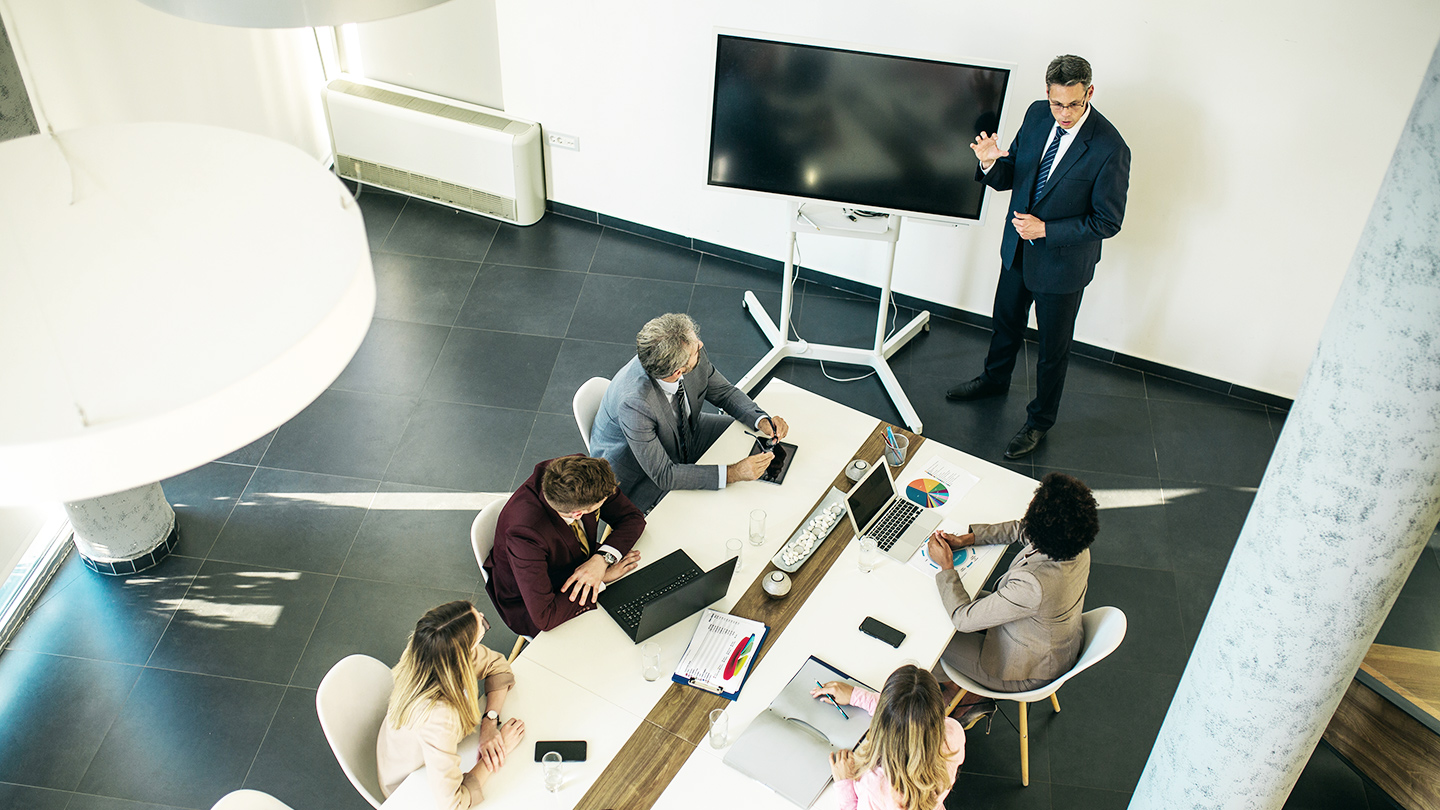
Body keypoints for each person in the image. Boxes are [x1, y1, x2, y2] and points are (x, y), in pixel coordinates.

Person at [946, 54, 1131, 460]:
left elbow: (1107, 221)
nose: (1064, 113)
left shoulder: (1110, 148)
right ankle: (994, 380)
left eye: (1074, 104)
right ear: (1046, 94)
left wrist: (1046, 230)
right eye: (1057, 103)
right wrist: (991, 161)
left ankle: (1039, 421)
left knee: (1051, 350)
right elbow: (1014, 174)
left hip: (1062, 267)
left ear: (1090, 93)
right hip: (1017, 252)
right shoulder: (1035, 115)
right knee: (1005, 323)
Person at [927, 472, 1099, 725]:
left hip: (1024, 671)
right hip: (1040, 639)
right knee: (946, 604)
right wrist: (969, 538)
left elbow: (963, 619)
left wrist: (947, 566)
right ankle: (960, 686)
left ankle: (963, 695)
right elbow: (1023, 529)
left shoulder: (1034, 585)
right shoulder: (1075, 542)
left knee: (932, 640)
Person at [589, 313, 790, 512]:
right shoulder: (635, 403)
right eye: (696, 349)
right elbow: (664, 474)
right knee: (712, 508)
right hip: (642, 475)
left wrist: (760, 419)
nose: (701, 345)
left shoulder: (689, 352)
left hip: (687, 432)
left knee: (745, 437)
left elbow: (724, 393)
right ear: (678, 371)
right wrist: (734, 472)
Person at [376, 600, 525, 810]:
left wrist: (490, 724)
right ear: (463, 654)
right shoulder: (438, 717)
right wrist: (501, 750)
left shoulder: (433, 651)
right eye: (481, 627)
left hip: (430, 755)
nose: (483, 619)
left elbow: (497, 666)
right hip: (411, 788)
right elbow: (453, 804)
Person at [484, 455, 645, 636]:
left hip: (577, 559)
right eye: (602, 503)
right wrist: (598, 579)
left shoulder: (577, 471)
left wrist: (601, 560)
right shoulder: (525, 535)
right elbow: (545, 617)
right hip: (540, 599)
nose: (612, 496)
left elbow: (632, 518)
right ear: (577, 514)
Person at [812, 664, 964, 810]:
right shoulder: (954, 732)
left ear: (881, 723)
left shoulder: (877, 786)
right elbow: (910, 716)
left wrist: (844, 782)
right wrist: (855, 695)